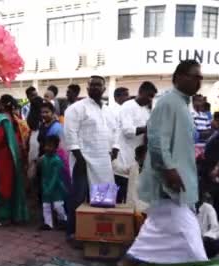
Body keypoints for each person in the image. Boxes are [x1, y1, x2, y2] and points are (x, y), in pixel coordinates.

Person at [125, 60, 208, 264]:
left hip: (178, 179)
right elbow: (156, 139)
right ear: (178, 77)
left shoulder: (181, 104)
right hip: (171, 181)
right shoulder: (168, 102)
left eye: (200, 77)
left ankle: (131, 262)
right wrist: (170, 169)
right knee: (190, 236)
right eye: (194, 76)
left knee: (155, 232)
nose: (199, 81)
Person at [64, 75, 119, 242]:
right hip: (83, 159)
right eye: (92, 85)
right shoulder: (77, 108)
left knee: (103, 197)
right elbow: (70, 132)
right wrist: (78, 156)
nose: (95, 88)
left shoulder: (110, 110)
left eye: (98, 85)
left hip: (104, 160)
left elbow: (116, 130)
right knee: (78, 197)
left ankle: (97, 231)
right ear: (87, 88)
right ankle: (73, 232)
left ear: (104, 89)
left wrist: (115, 147)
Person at [0, 95, 29, 226]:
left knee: (4, 186)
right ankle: (16, 214)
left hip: (2, 156)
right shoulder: (14, 119)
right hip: (13, 155)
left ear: (3, 105)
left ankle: (4, 216)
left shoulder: (1, 119)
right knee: (13, 184)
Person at [114, 81, 157, 203]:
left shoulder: (144, 110)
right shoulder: (128, 106)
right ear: (141, 92)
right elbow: (128, 131)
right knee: (121, 199)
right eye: (149, 96)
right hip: (125, 158)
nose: (150, 100)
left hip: (137, 159)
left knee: (133, 198)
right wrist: (147, 128)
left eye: (152, 97)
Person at [39, 135, 68, 230]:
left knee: (58, 205)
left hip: (57, 187)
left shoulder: (57, 160)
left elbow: (56, 177)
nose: (47, 148)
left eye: (50, 146)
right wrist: (44, 186)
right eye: (46, 145)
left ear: (56, 148)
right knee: (46, 206)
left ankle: (63, 220)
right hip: (46, 185)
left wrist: (49, 188)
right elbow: (43, 175)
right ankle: (48, 223)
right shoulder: (44, 159)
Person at [197, 192, 219, 259]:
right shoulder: (182, 208)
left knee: (217, 244)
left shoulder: (208, 208)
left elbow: (215, 228)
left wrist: (206, 238)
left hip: (203, 240)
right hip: (187, 240)